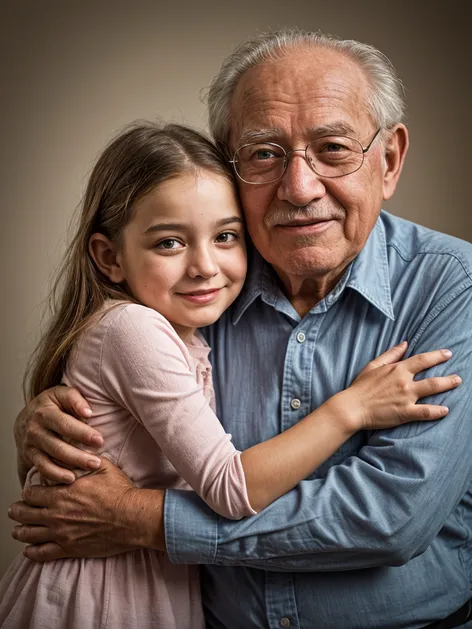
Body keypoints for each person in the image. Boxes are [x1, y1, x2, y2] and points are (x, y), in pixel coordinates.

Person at [10, 28, 472, 629]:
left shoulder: (454, 285)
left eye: (333, 148)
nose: (300, 188)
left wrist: (142, 519)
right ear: (232, 168)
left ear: (388, 161)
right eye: (263, 154)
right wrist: (48, 418)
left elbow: (390, 518)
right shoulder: (207, 281)